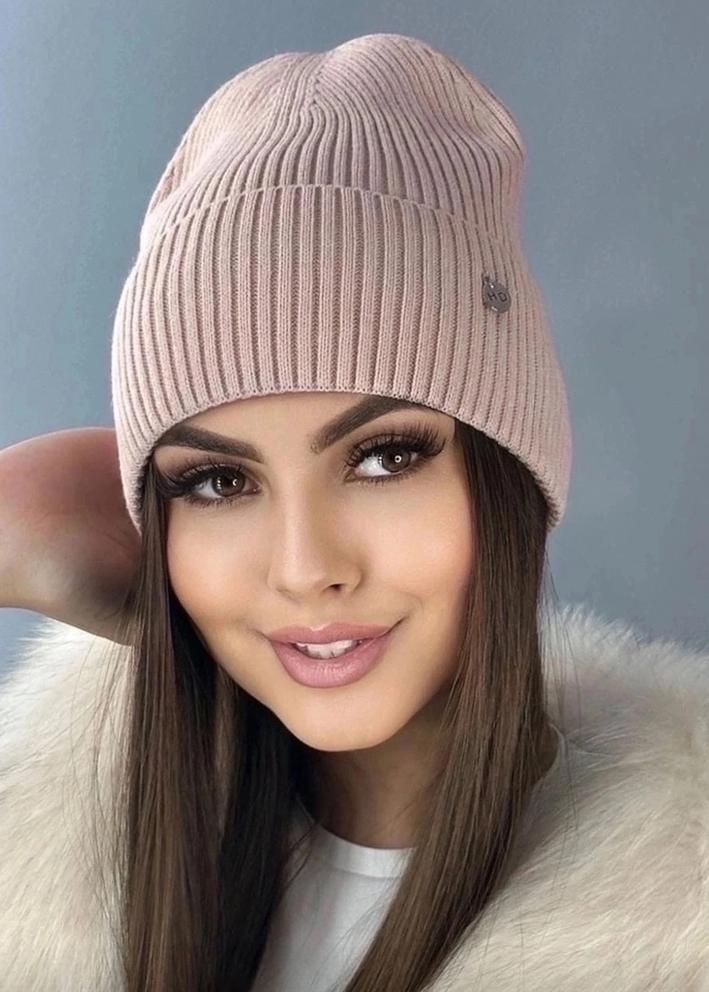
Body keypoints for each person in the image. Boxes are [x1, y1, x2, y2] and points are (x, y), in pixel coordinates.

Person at [0, 32, 707, 992]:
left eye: (384, 458)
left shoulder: (679, 920)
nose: (305, 567)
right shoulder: (64, 846)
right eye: (218, 482)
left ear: (508, 478)